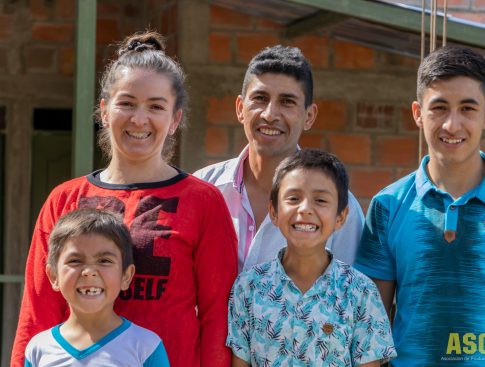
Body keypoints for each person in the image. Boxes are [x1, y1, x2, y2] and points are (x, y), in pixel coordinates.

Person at [12, 31, 237, 367]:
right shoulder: (65, 200)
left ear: (175, 119)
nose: (139, 119)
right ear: (104, 111)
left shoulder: (203, 201)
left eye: (156, 106)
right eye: (127, 103)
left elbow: (217, 315)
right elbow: (38, 310)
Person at [354, 46, 485, 366]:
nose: (452, 125)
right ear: (418, 113)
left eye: (468, 109)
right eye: (439, 108)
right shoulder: (387, 206)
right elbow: (371, 323)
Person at [194, 45, 364, 272]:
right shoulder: (203, 189)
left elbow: (348, 297)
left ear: (309, 116)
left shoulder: (337, 207)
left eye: (287, 102)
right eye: (260, 98)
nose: (270, 115)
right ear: (240, 108)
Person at [227, 149, 396, 367]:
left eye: (320, 200)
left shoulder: (361, 292)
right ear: (274, 212)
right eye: (294, 198)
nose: (305, 209)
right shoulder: (248, 288)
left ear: (341, 217)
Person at [24, 208, 170, 366]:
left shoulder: (146, 347)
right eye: (75, 261)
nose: (89, 272)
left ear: (126, 276)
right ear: (54, 276)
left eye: (104, 261)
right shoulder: (38, 349)